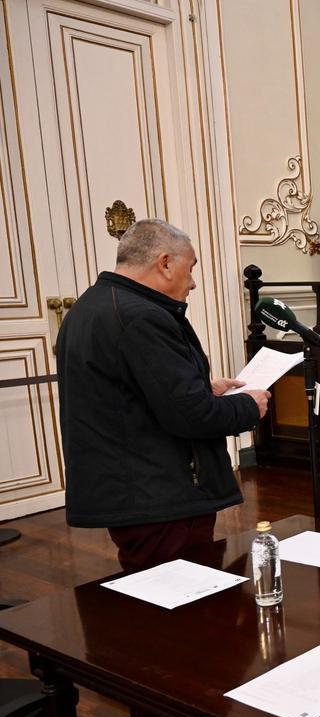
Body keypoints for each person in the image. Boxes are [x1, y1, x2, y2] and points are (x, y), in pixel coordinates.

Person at [56, 219, 270, 572]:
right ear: (165, 263)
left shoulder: (89, 306)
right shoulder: (141, 317)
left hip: (133, 488)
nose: (194, 282)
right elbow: (190, 415)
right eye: (191, 268)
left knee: (159, 602)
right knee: (184, 603)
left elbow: (129, 394)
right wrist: (247, 406)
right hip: (160, 494)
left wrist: (204, 387)